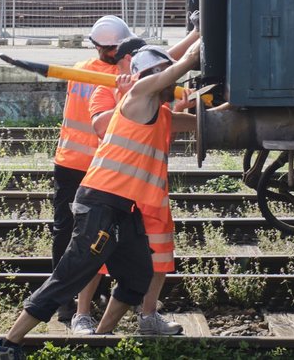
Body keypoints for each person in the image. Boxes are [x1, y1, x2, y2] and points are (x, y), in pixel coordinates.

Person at [0, 42, 201, 360]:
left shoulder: (160, 112)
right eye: (163, 74)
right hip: (100, 202)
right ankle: (8, 345)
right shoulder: (139, 94)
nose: (170, 84)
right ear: (150, 74)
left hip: (125, 207)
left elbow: (202, 121)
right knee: (69, 276)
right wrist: (196, 48)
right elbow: (176, 69)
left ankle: (100, 341)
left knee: (138, 277)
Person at [73, 21, 202, 335]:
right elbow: (103, 125)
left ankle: (147, 317)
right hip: (114, 193)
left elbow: (200, 122)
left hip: (151, 198)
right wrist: (127, 92)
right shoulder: (111, 91)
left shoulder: (160, 108)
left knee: (160, 257)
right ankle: (82, 315)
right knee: (97, 257)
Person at [49, 15, 135, 324]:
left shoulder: (79, 69)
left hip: (68, 162)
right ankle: (98, 293)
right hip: (100, 168)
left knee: (66, 233)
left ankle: (63, 302)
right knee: (104, 231)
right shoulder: (119, 78)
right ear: (118, 48)